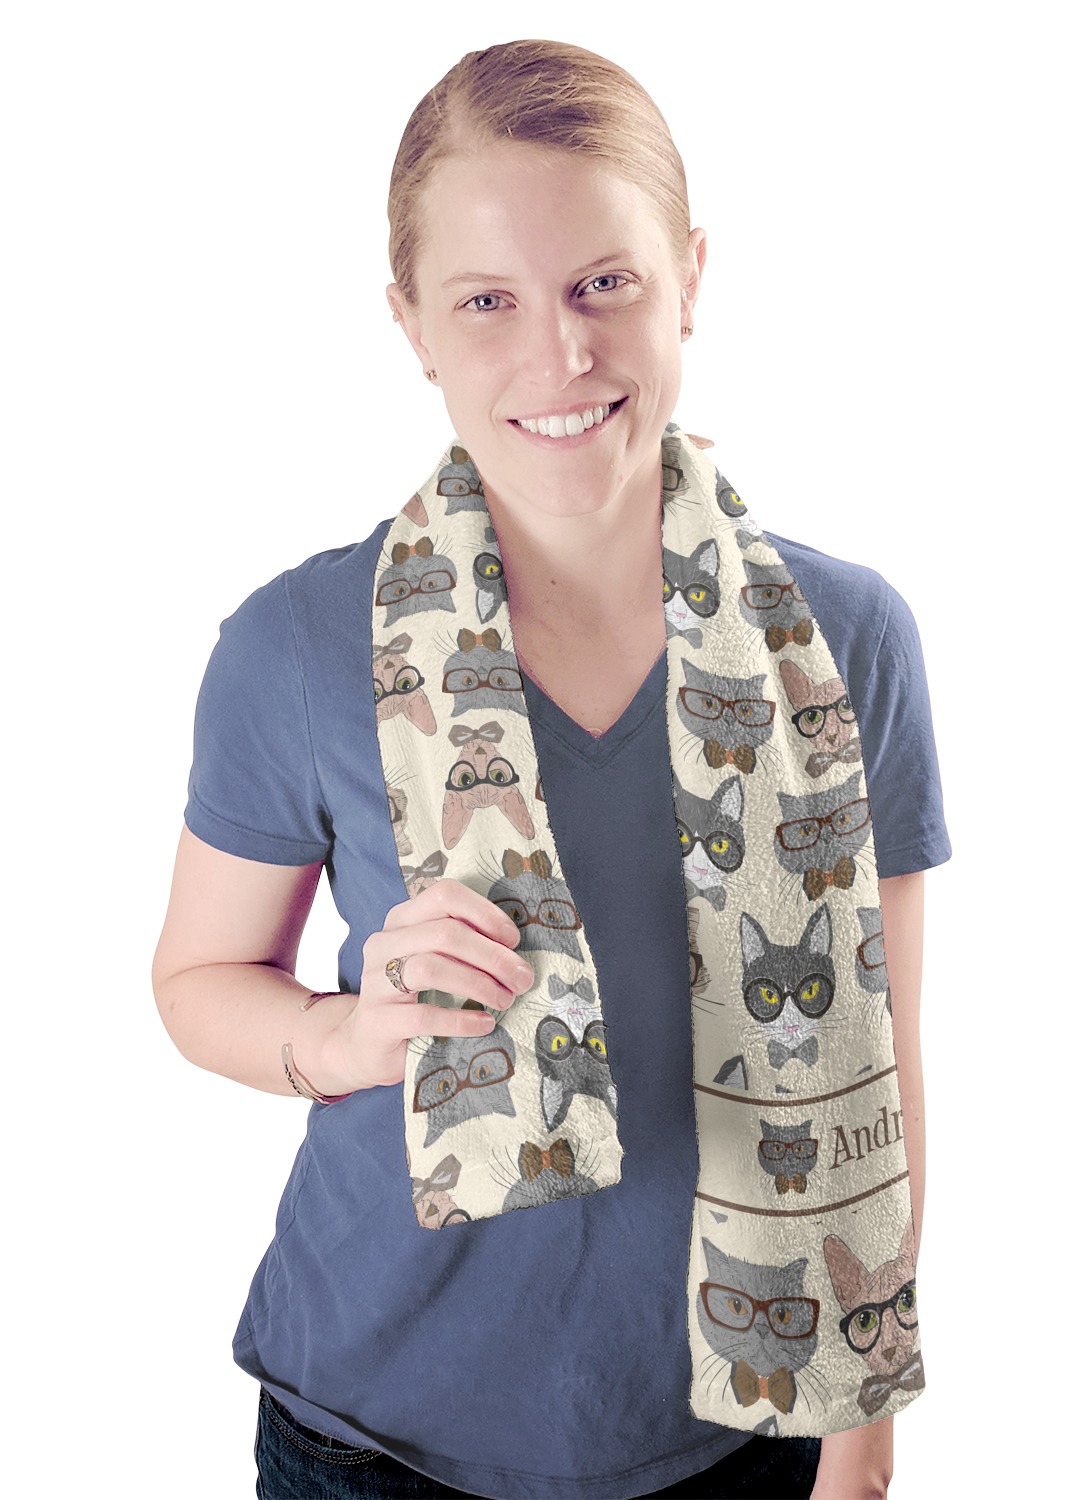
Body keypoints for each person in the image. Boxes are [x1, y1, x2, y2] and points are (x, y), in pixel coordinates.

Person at [153, 39, 950, 1500]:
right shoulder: (296, 645)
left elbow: (885, 1060)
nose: (560, 354)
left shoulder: (848, 640)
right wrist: (345, 1037)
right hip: (368, 1434)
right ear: (411, 322)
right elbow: (199, 982)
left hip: (741, 1415)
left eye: (605, 282)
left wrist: (859, 1438)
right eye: (486, 301)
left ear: (689, 277)